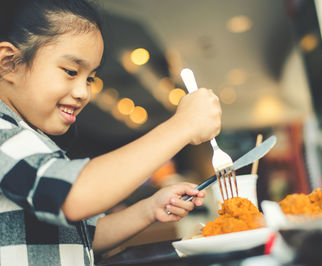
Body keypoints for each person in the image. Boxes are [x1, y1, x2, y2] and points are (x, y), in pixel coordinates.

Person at [0, 0, 221, 265]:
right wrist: (182, 125)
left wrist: (149, 208)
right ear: (9, 63)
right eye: (71, 71)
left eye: (90, 78)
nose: (84, 93)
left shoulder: (35, 142)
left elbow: (82, 237)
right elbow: (73, 197)